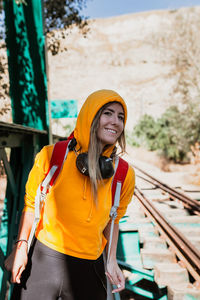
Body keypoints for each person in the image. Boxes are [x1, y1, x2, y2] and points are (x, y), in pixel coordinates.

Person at [5, 89, 135, 300]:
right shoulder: (52, 156)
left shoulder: (123, 174)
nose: (116, 122)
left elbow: (114, 218)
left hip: (90, 267)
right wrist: (21, 248)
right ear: (90, 115)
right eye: (108, 113)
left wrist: (111, 261)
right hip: (43, 259)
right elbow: (31, 205)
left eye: (121, 117)